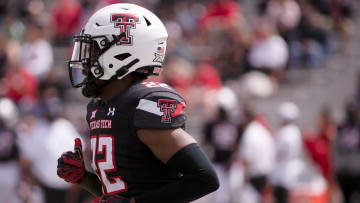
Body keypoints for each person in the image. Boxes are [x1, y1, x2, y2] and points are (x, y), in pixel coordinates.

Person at [56, 3, 219, 203]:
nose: (84, 63)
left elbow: (204, 178)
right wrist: (85, 178)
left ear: (121, 54)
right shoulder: (98, 108)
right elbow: (121, 193)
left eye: (92, 51)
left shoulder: (145, 103)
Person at [271, 102, 303, 203]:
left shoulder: (284, 133)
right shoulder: (296, 131)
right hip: (292, 170)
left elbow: (277, 151)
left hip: (282, 172)